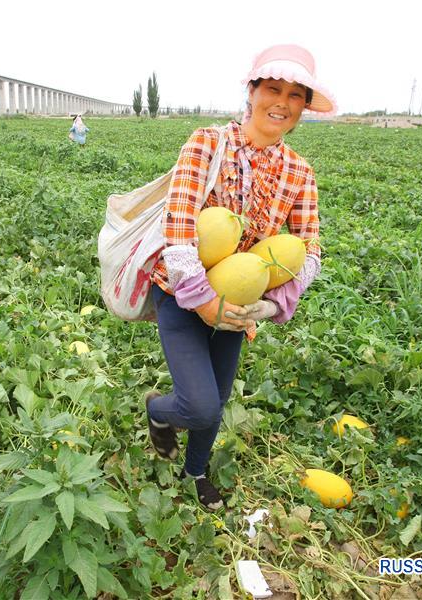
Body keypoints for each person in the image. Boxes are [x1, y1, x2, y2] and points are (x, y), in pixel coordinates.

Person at [143, 44, 335, 510]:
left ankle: (196, 472)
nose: (282, 103)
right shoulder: (207, 143)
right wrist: (204, 300)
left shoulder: (300, 173)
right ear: (251, 91)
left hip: (239, 302)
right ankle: (157, 410)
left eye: (295, 95)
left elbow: (309, 248)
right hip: (181, 294)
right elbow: (181, 224)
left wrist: (271, 304)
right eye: (273, 88)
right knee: (200, 405)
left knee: (219, 399)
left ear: (304, 106)